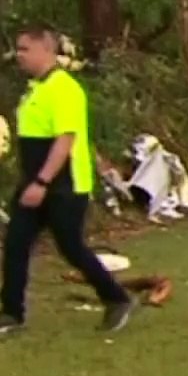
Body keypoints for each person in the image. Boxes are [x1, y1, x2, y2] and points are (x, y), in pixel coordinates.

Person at [1, 25, 136, 334]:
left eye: (24, 49)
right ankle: (11, 313)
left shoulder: (65, 88)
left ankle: (117, 299)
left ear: (45, 50)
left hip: (62, 185)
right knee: (16, 244)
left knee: (71, 247)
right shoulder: (37, 88)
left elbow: (65, 141)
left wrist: (42, 183)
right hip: (33, 180)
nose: (18, 55)